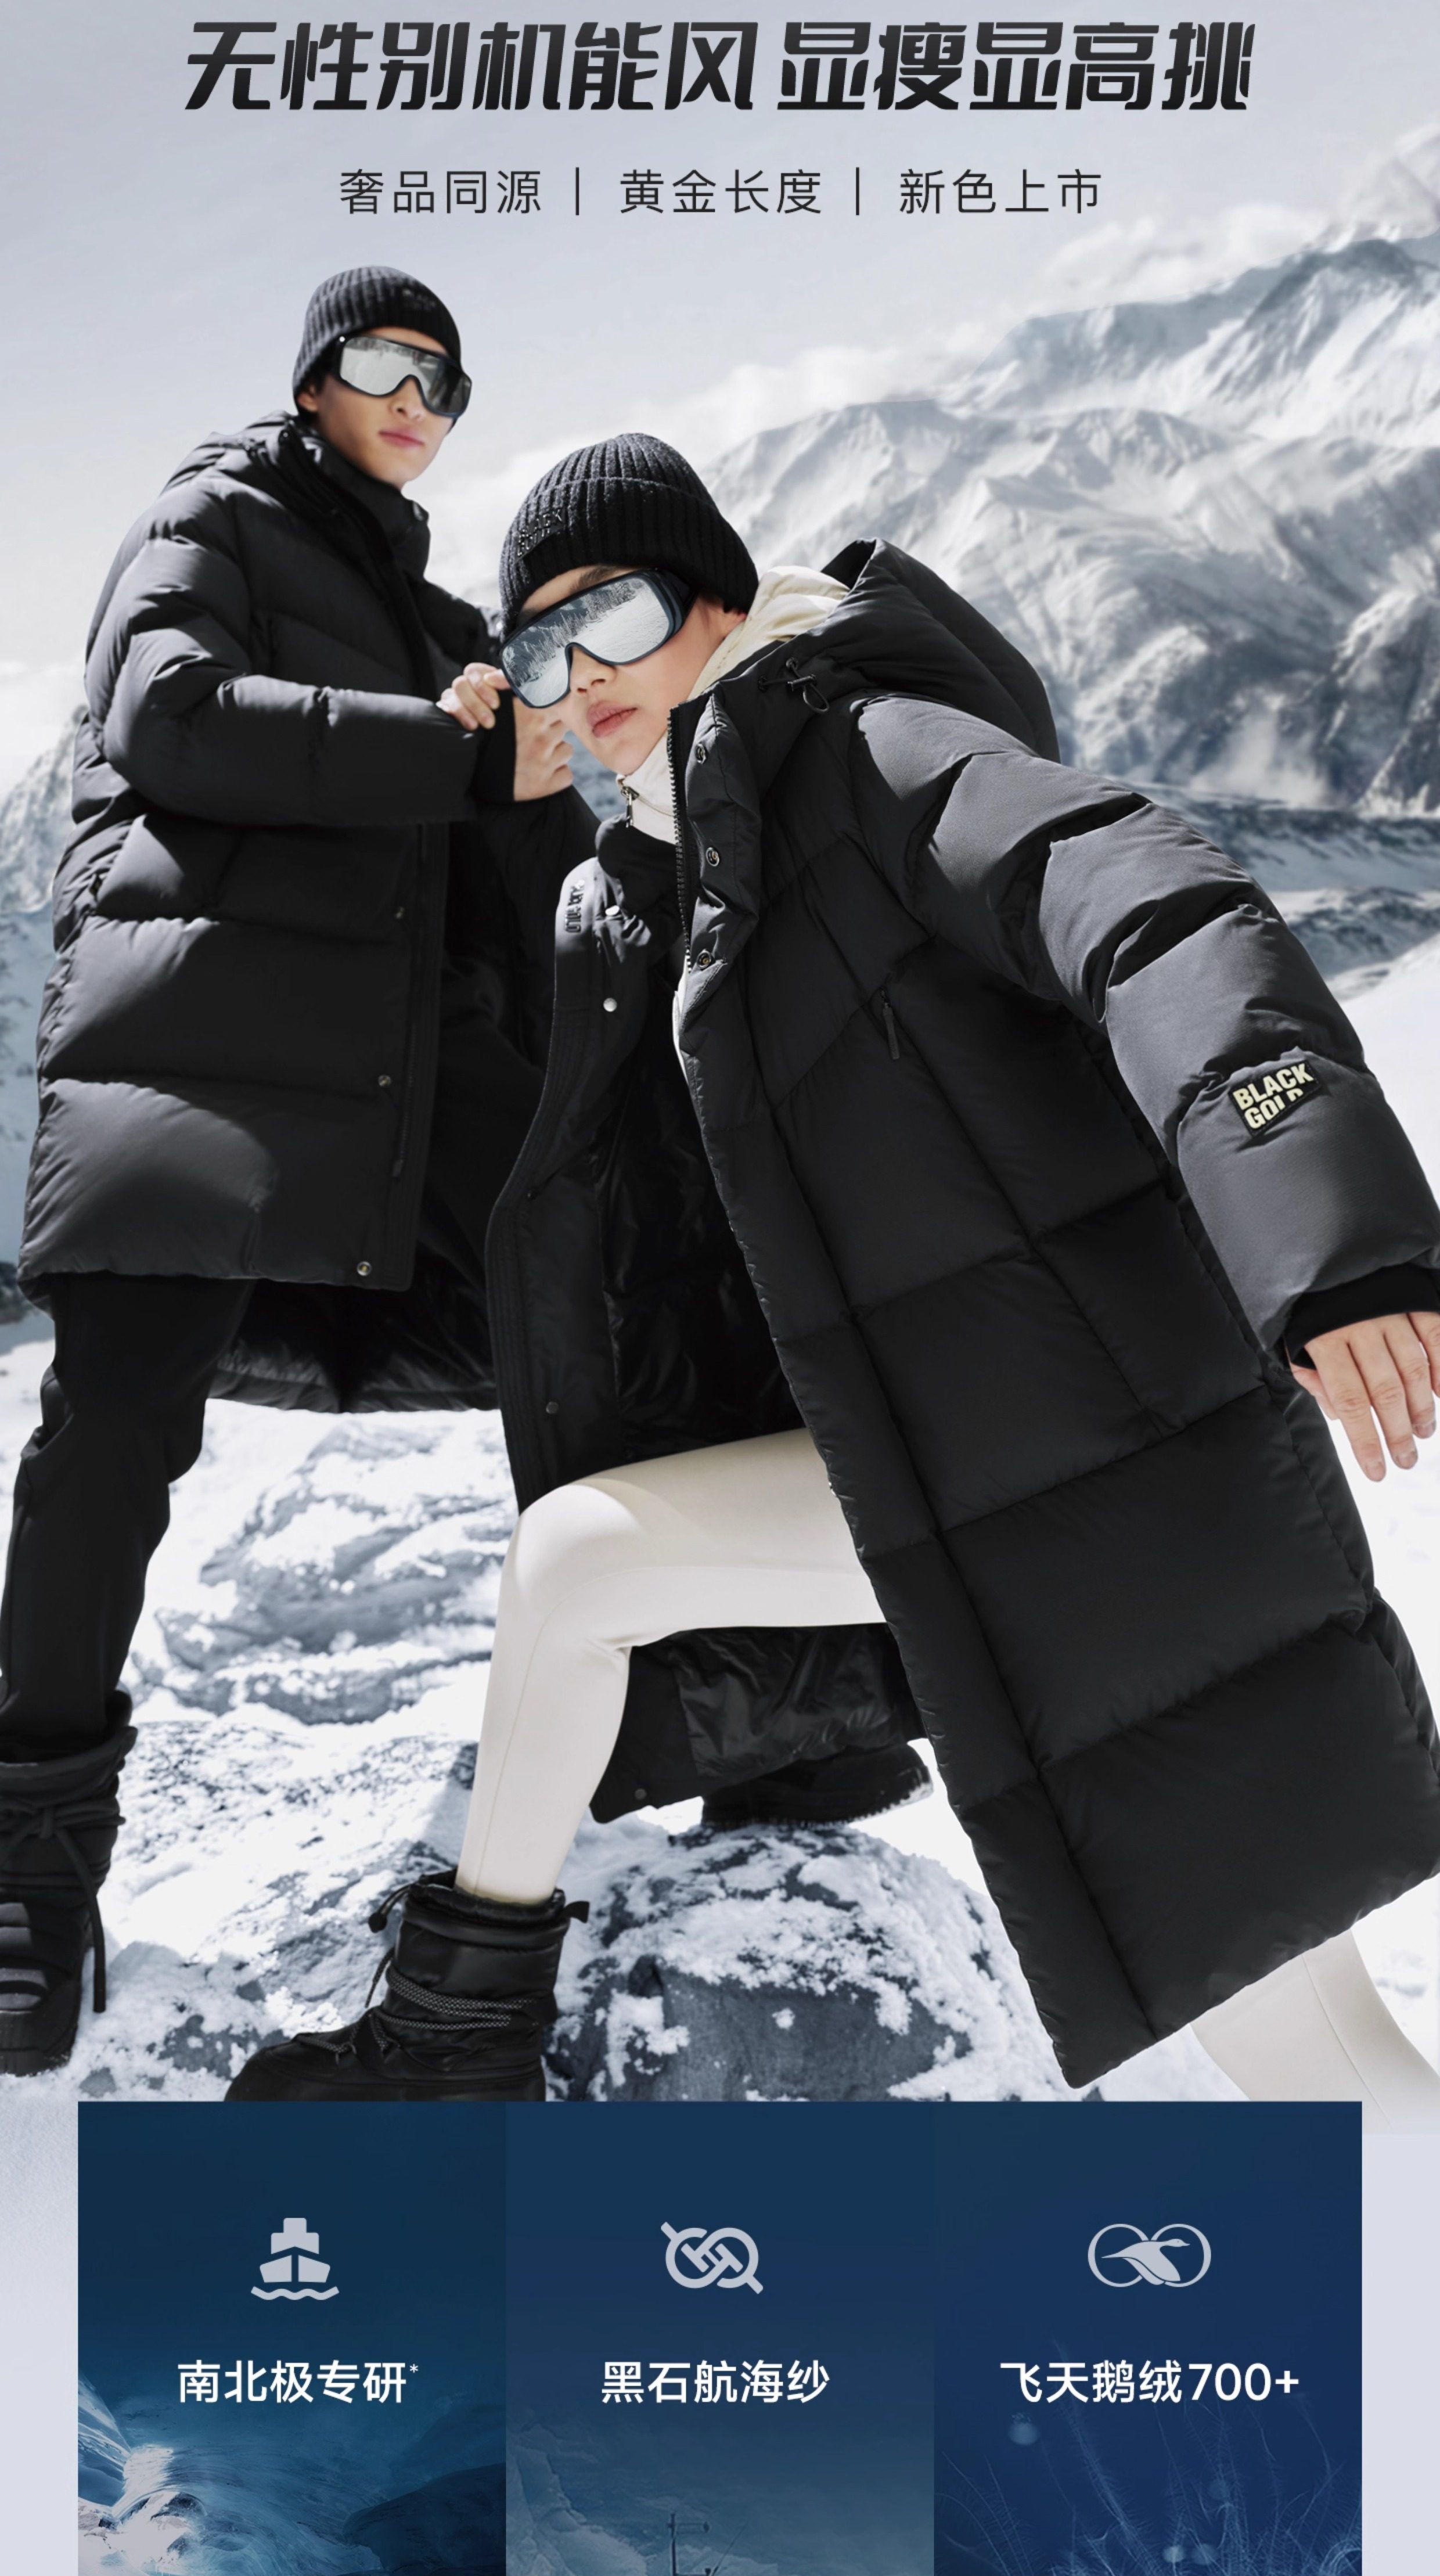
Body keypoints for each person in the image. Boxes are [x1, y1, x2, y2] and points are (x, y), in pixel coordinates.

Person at [226, 433, 1440, 2120]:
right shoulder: (676, 889)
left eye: (612, 614)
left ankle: (455, 2039)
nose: (580, 678)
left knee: (1318, 2059)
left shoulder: (866, 749)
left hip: (1110, 1472)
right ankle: (458, 2033)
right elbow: (600, 1277)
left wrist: (1328, 1231)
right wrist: (224, 1311)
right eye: (537, 653)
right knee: (1320, 2057)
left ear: (719, 600)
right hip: (960, 1470)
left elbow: (1148, 903)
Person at [0, 267, 599, 2077]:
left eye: (451, 381)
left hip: (389, 1074)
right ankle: (28, 1875)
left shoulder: (433, 617)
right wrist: (449, 747)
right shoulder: (214, 518)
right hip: (194, 1047)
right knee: (118, 1433)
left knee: (614, 1320)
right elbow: (170, 718)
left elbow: (507, 864)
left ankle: (745, 1721)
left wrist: (526, 772)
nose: (422, 397)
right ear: (316, 373)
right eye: (390, 360)